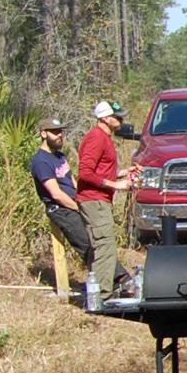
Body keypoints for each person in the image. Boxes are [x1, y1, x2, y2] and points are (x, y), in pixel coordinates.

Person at [77, 99, 131, 300]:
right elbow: (85, 173)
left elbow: (102, 170)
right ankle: (102, 295)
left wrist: (124, 173)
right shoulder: (97, 138)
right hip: (94, 200)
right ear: (105, 118)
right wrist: (116, 185)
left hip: (99, 199)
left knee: (102, 245)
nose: (121, 119)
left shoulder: (105, 138)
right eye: (117, 117)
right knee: (105, 246)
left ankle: (97, 293)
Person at [32, 118, 94, 272]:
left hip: (75, 203)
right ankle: (112, 280)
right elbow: (56, 194)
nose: (59, 135)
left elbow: (72, 181)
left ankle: (115, 278)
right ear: (43, 134)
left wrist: (84, 200)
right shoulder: (41, 161)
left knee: (99, 240)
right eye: (54, 132)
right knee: (87, 244)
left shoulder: (60, 156)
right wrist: (78, 208)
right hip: (61, 209)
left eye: (60, 131)